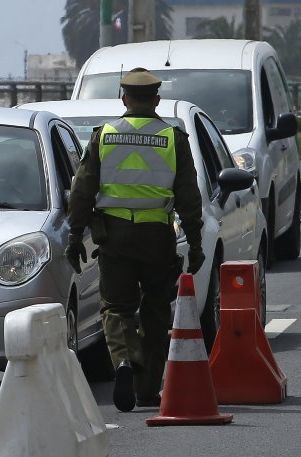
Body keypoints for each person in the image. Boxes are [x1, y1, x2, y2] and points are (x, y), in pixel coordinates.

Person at [65, 67, 205, 412]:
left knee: (115, 307)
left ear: (123, 98)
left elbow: (82, 190)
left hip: (114, 237)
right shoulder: (174, 138)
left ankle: (123, 361)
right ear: (156, 100)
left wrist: (74, 236)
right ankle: (146, 389)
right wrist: (197, 242)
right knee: (157, 309)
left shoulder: (105, 135)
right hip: (157, 236)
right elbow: (189, 195)